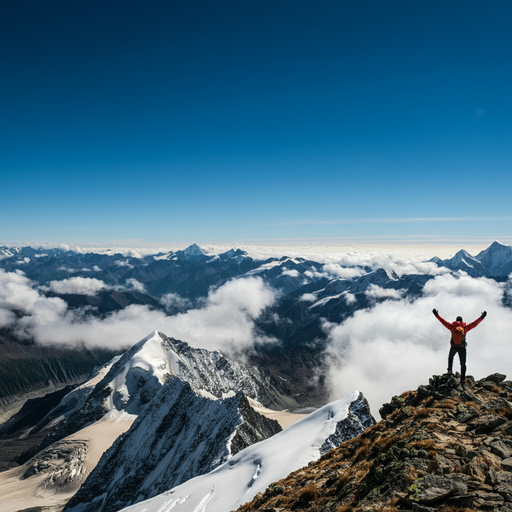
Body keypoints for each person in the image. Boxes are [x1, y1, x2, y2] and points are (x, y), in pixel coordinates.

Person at [432, 309, 487, 382]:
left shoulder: (452, 327)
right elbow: (474, 323)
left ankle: (449, 371)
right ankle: (463, 379)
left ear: (456, 320)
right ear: (462, 321)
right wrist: (482, 317)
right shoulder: (465, 328)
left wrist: (436, 315)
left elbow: (443, 321)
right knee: (463, 363)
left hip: (454, 346)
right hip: (462, 347)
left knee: (450, 358)